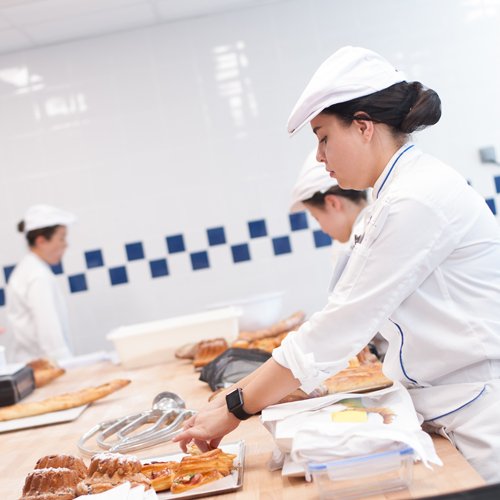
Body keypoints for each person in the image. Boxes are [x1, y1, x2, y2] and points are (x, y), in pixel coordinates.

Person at [174, 46, 500, 483]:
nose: (321, 156)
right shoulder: (400, 193)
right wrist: (238, 394)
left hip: (481, 416)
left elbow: (341, 325)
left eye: (324, 137)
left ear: (363, 126)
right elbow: (343, 318)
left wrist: (237, 404)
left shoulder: (416, 198)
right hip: (449, 407)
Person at [6, 204, 76, 363]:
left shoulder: (30, 269)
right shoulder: (37, 276)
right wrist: (67, 367)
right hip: (42, 366)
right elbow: (49, 334)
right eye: (62, 238)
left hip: (36, 365)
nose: (66, 244)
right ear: (41, 241)